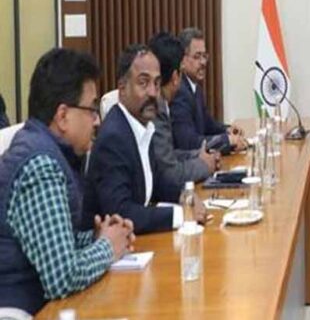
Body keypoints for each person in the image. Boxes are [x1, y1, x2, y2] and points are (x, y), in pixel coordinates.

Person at [0, 49, 133, 315]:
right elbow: (62, 277)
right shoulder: (40, 166)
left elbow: (52, 244)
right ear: (62, 116)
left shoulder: (47, 149)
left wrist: (96, 237)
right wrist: (108, 247)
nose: (97, 120)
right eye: (91, 109)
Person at [83, 45, 206, 234]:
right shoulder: (114, 137)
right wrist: (181, 215)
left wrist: (185, 196)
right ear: (122, 88)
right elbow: (120, 212)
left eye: (156, 83)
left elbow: (157, 182)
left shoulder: (142, 126)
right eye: (143, 83)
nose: (153, 92)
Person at [149, 32, 220, 186]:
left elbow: (168, 155)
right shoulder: (155, 109)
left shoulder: (163, 103)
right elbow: (168, 174)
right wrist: (204, 165)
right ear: (176, 77)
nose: (203, 62)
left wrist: (199, 155)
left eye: (204, 56)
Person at [170, 28, 246, 152]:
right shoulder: (179, 92)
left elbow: (208, 124)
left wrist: (227, 129)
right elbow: (189, 142)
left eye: (204, 56)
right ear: (182, 60)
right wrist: (227, 141)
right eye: (197, 57)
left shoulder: (195, 88)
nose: (203, 62)